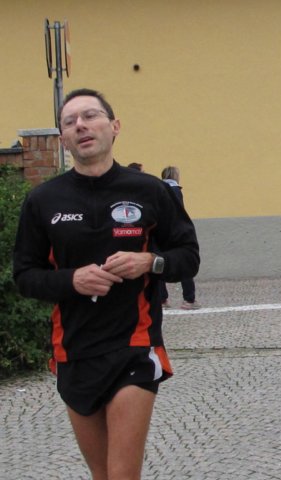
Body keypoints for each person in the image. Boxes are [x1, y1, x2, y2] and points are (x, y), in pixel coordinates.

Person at [12, 88, 200, 479]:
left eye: (91, 116)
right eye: (70, 121)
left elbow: (188, 257)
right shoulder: (43, 200)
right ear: (63, 139)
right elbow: (25, 276)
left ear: (114, 127)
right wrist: (72, 280)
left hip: (134, 345)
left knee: (122, 474)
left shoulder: (150, 190)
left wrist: (150, 261)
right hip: (74, 350)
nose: (81, 125)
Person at [159, 165, 201, 310]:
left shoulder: (159, 189)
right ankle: (189, 299)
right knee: (185, 264)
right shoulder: (176, 190)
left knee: (160, 264)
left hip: (161, 232)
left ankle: (162, 299)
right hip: (176, 232)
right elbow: (179, 213)